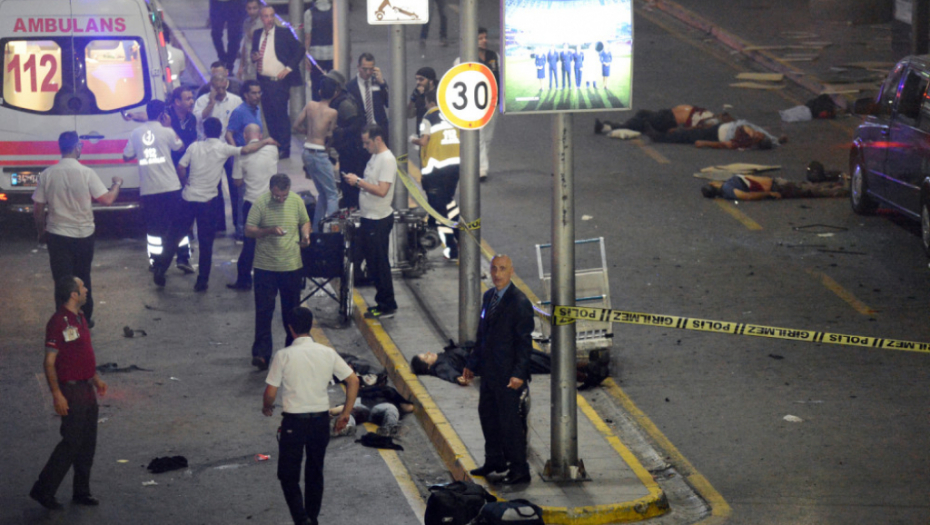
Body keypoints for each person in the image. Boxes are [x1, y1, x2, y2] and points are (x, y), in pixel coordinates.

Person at [153, 117, 276, 291]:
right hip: (208, 203)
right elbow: (248, 149)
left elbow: (181, 167)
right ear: (219, 132)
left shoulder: (194, 147)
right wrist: (266, 141)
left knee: (174, 236)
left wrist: (185, 182)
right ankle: (202, 282)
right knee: (206, 243)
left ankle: (160, 268)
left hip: (188, 199)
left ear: (203, 130)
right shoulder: (224, 148)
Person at [262, 306, 359, 525]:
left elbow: (270, 393)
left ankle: (301, 519)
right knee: (315, 472)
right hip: (320, 422)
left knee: (288, 475)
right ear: (311, 326)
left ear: (290, 329)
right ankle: (312, 518)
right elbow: (353, 381)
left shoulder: (283, 356)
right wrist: (345, 413)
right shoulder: (327, 353)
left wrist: (267, 407)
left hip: (293, 423)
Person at [29, 275, 108, 510]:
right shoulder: (58, 322)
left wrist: (95, 379)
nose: (86, 289)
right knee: (71, 442)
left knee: (87, 443)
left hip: (85, 388)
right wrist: (57, 394)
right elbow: (49, 363)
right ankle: (43, 490)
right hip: (71, 391)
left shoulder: (80, 318)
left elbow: (79, 354)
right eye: (82, 287)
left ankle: (81, 491)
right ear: (74, 295)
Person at [32, 132, 122, 327]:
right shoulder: (86, 173)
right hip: (84, 236)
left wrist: (41, 232)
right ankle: (85, 319)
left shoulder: (47, 174)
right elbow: (107, 199)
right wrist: (117, 184)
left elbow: (38, 208)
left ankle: (64, 322)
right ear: (77, 148)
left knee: (62, 281)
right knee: (83, 277)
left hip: (57, 235)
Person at [463, 254, 534, 485]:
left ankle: (519, 469)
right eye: (494, 269)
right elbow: (483, 335)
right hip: (490, 371)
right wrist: (472, 364)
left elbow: (524, 343)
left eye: (502, 269)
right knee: (488, 415)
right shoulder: (489, 297)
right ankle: (494, 460)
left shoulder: (519, 302)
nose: (497, 274)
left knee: (510, 423)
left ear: (511, 271)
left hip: (508, 375)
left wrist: (518, 374)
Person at [247, 174, 312, 371]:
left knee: (291, 313)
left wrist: (306, 235)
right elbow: (249, 230)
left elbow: (305, 221)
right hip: (265, 268)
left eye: (284, 196)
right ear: (271, 190)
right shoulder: (260, 203)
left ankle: (291, 352)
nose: (281, 200)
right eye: (277, 196)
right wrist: (267, 231)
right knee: (264, 312)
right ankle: (262, 354)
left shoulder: (296, 201)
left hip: (291, 266)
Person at [122, 99, 192, 273]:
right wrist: (169, 127)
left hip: (149, 190)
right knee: (177, 224)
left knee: (154, 228)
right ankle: (182, 258)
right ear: (163, 114)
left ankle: (155, 261)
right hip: (171, 187)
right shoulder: (167, 132)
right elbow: (180, 146)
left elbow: (126, 156)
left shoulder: (136, 133)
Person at [341, 125, 397, 319]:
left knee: (379, 263)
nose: (365, 146)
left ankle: (387, 304)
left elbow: (382, 190)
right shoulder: (375, 157)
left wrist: (358, 182)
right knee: (372, 263)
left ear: (378, 139)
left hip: (378, 220)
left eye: (367, 142)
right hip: (369, 217)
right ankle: (383, 300)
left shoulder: (387, 160)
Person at [228, 124, 280, 290]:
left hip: (251, 203)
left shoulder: (241, 155)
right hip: (271, 203)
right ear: (261, 135)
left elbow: (237, 182)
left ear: (244, 136)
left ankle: (244, 281)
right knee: (272, 241)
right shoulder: (273, 150)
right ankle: (273, 280)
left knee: (250, 244)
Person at [412, 89, 459, 260]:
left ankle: (454, 246)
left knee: (439, 210)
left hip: (435, 170)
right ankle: (458, 240)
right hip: (454, 168)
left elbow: (424, 141)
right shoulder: (453, 115)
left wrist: (413, 139)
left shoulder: (428, 117)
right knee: (446, 202)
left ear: (429, 102)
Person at [252, 5, 304, 159]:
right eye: (266, 16)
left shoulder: (283, 33)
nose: (269, 19)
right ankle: (274, 143)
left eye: (271, 16)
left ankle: (284, 147)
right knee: (268, 114)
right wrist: (253, 57)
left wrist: (288, 68)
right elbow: (254, 52)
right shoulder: (257, 34)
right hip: (263, 80)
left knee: (280, 114)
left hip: (278, 81)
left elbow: (300, 49)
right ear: (261, 18)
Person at [195, 72, 245, 232]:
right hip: (211, 151)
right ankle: (219, 225)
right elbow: (198, 120)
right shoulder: (202, 101)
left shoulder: (236, 101)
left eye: (223, 87)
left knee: (235, 186)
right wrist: (211, 103)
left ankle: (238, 223)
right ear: (212, 86)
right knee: (214, 189)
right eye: (217, 88)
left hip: (229, 149)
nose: (221, 91)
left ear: (227, 85)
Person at [294, 82, 339, 232]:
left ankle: (317, 229)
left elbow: (296, 125)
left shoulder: (310, 105)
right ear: (334, 94)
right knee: (332, 194)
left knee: (322, 194)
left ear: (319, 92)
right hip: (320, 153)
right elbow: (331, 133)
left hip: (307, 152)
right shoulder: (332, 112)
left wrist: (309, 132)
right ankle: (333, 231)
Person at [226, 79, 265, 238]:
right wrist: (238, 151)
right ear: (245, 95)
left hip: (255, 158)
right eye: (254, 93)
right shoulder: (240, 112)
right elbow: (229, 133)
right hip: (244, 158)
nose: (257, 96)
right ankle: (241, 230)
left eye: (258, 92)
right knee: (242, 197)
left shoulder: (256, 109)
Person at [323, 70, 367, 209]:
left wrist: (340, 132)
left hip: (352, 152)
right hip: (347, 151)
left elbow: (357, 124)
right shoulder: (338, 101)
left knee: (350, 185)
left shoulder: (344, 104)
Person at [412, 347, 553, 386]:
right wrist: (458, 379)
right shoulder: (440, 365)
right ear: (428, 367)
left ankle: (562, 363)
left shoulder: (442, 357)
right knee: (533, 361)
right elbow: (448, 373)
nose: (429, 353)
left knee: (530, 354)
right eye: (426, 357)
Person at [330, 384, 413, 436]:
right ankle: (390, 427)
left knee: (390, 408)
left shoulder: (386, 390)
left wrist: (329, 412)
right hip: (370, 410)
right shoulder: (387, 391)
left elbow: (345, 407)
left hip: (371, 409)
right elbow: (408, 407)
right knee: (391, 408)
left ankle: (389, 428)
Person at [646, 119, 786, 150]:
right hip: (720, 126)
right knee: (692, 130)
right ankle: (666, 131)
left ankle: (658, 137)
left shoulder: (746, 141)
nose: (759, 133)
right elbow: (770, 137)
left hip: (715, 135)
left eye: (758, 136)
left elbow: (727, 144)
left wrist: (705, 143)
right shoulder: (758, 132)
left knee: (688, 137)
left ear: (757, 141)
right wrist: (778, 140)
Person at [595, 104, 728, 135]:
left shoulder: (709, 124)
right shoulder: (709, 115)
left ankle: (609, 127)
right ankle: (621, 125)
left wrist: (677, 129)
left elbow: (694, 130)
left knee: (642, 119)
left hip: (669, 120)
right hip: (667, 113)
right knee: (641, 115)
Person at [348, 53, 390, 145]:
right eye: (365, 69)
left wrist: (382, 83)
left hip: (379, 130)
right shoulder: (350, 86)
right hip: (361, 132)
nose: (368, 73)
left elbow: (388, 103)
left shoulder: (379, 83)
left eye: (371, 69)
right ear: (358, 67)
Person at [701, 174, 848, 200]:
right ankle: (846, 190)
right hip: (777, 187)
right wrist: (769, 194)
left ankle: (842, 185)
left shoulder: (728, 187)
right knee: (813, 190)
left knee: (810, 187)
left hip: (777, 184)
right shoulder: (728, 188)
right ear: (713, 185)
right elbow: (745, 196)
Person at [476, 28, 499, 181]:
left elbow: (501, 77)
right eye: (480, 38)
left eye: (485, 37)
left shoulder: (494, 56)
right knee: (479, 137)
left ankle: (480, 163)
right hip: (475, 105)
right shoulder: (464, 58)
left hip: (492, 104)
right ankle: (482, 169)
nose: (484, 40)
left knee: (488, 138)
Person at [303, 0, 334, 102]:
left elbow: (308, 36)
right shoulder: (335, 11)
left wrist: (306, 55)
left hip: (315, 56)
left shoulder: (309, 13)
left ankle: (317, 111)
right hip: (334, 54)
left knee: (316, 87)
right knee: (333, 84)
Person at [167, 85, 199, 167]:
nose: (192, 102)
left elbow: (194, 140)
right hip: (170, 163)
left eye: (192, 98)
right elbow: (148, 117)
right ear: (177, 102)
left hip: (187, 162)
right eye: (188, 99)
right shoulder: (166, 116)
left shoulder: (192, 118)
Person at [210, 0, 244, 71]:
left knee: (235, 36)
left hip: (237, 4)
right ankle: (222, 57)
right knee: (216, 33)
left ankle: (230, 64)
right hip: (217, 3)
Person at [237, 0, 263, 81]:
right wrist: (241, 66)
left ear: (259, 8)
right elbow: (245, 44)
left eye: (254, 8)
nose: (252, 11)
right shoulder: (246, 22)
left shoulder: (263, 23)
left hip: (259, 65)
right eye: (249, 8)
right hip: (248, 65)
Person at [406, 66, 437, 131]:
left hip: (435, 130)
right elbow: (409, 115)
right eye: (416, 79)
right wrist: (412, 100)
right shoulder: (417, 91)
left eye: (421, 79)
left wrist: (423, 97)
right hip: (421, 132)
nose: (418, 82)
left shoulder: (439, 92)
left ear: (431, 81)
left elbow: (434, 112)